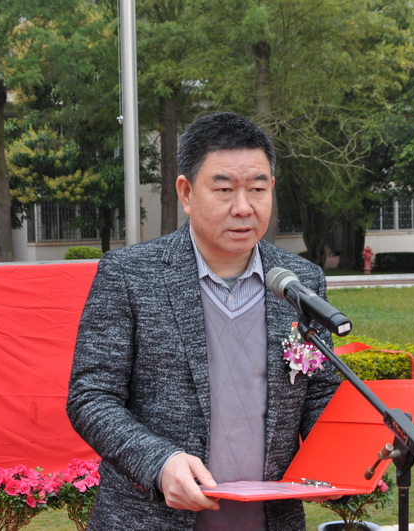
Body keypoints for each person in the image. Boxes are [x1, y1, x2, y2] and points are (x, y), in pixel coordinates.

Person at [67, 112, 340, 530]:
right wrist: (159, 463)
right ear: (187, 192)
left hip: (270, 520)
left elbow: (319, 392)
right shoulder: (129, 275)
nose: (243, 208)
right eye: (224, 189)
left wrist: (349, 448)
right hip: (152, 520)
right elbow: (91, 397)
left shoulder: (300, 282)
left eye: (258, 189)